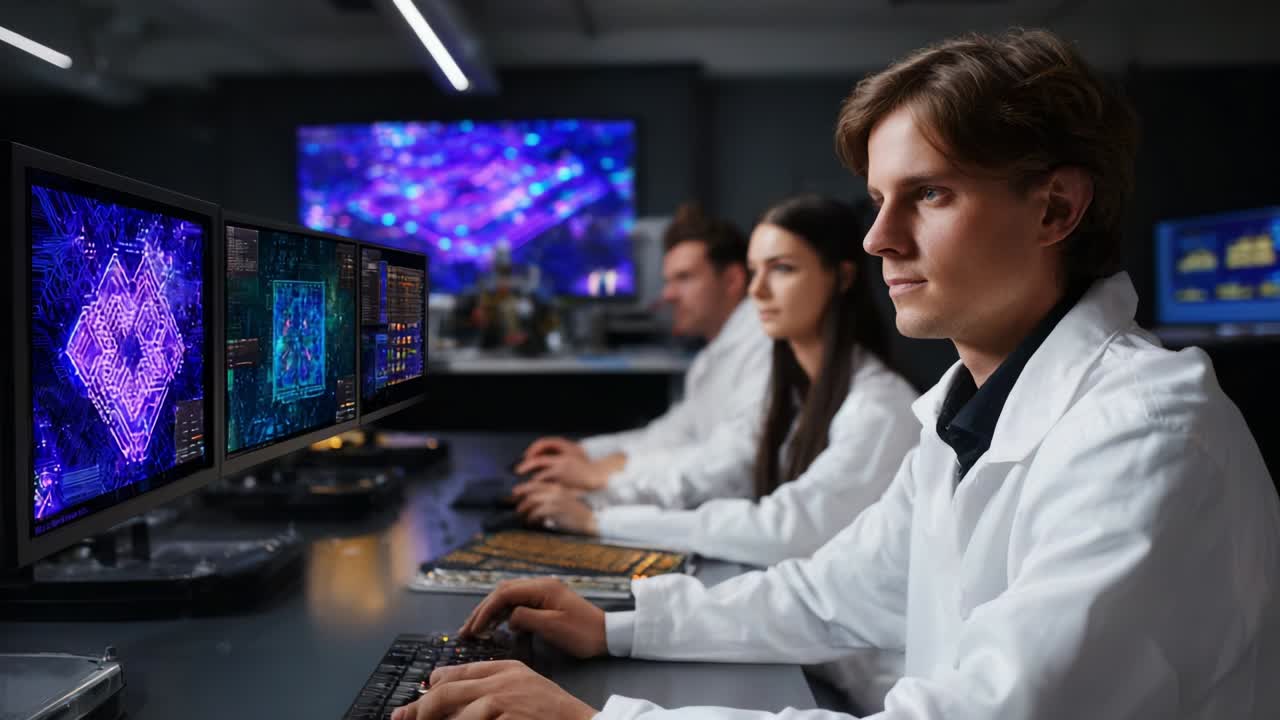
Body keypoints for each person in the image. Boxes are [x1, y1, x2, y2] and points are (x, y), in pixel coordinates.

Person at [391, 28, 1280, 720]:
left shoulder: (1147, 435)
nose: (878, 237)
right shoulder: (960, 415)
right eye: (879, 199)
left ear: (1055, 206)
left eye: (929, 195)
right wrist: (620, 625)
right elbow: (829, 594)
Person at [510, 195, 919, 572]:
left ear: (842, 278)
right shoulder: (799, 389)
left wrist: (600, 514)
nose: (757, 291)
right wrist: (591, 467)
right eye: (757, 270)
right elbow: (682, 436)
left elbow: (785, 529)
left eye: (782, 269)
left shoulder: (878, 410)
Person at [516, 203, 771, 505]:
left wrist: (604, 473)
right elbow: (673, 435)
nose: (668, 294)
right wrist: (587, 453)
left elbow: (734, 467)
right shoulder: (710, 358)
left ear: (732, 280)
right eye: (668, 281)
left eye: (684, 278)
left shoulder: (763, 343)